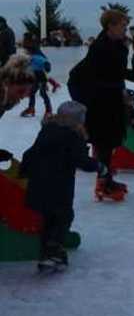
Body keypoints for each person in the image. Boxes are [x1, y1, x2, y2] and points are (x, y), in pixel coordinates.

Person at [67, 9, 134, 202]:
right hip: (91, 94)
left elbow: (116, 73)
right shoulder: (101, 47)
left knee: (109, 139)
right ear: (111, 26)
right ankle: (103, 181)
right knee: (103, 138)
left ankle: (105, 178)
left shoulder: (116, 45)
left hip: (106, 93)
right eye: (123, 25)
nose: (125, 29)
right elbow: (103, 75)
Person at [20, 101, 102, 271]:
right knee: (63, 216)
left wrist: (25, 171)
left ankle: (46, 253)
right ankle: (53, 252)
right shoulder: (73, 135)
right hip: (59, 184)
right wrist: (99, 166)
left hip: (37, 182)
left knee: (48, 217)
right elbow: (81, 160)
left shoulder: (47, 130)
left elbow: (31, 152)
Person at [0, 55, 35, 162]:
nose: (23, 96)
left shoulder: (4, 101)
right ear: (7, 84)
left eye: (27, 92)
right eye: (21, 91)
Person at [20, 46, 52, 119]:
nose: (26, 53)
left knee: (42, 93)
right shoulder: (33, 57)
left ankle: (48, 110)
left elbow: (46, 64)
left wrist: (46, 67)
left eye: (27, 51)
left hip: (40, 77)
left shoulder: (36, 57)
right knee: (32, 92)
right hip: (36, 77)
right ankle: (31, 108)